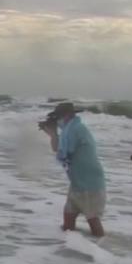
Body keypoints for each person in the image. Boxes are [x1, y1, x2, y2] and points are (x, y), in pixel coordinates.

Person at [40, 102, 106, 238]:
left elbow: (62, 153)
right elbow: (60, 150)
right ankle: (70, 250)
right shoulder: (69, 130)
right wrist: (53, 135)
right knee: (68, 219)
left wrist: (53, 134)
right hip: (78, 183)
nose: (57, 121)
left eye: (58, 117)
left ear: (68, 116)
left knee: (93, 220)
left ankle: (101, 251)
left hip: (90, 183)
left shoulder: (75, 130)